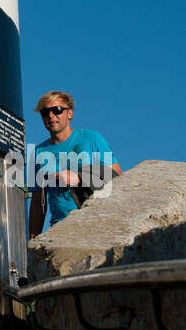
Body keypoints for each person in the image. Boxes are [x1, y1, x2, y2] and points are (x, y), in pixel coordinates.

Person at [28, 91, 122, 237]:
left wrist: (78, 178)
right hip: (59, 231)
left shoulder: (92, 138)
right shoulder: (37, 152)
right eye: (45, 112)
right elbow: (37, 203)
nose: (51, 116)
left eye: (57, 110)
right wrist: (32, 240)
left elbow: (117, 177)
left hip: (95, 226)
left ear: (70, 114)